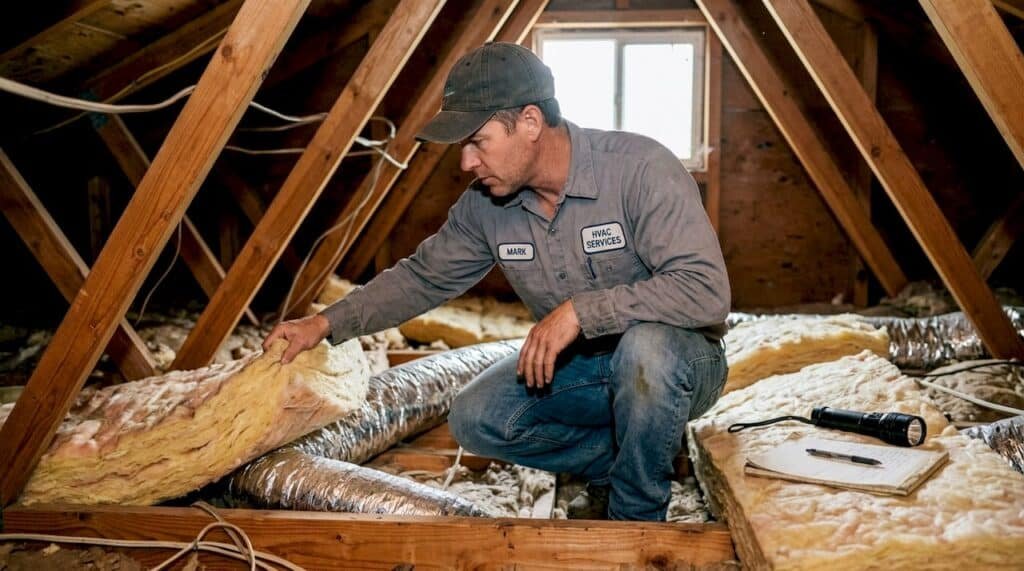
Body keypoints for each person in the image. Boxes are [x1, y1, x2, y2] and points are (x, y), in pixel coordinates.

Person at [263, 42, 730, 521]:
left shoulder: (639, 170)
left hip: (682, 361)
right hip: (586, 368)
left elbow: (706, 292)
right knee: (477, 416)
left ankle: (635, 519)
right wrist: (322, 324)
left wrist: (580, 311)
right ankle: (619, 462)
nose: (466, 162)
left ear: (529, 122)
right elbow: (422, 277)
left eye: (476, 142)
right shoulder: (485, 206)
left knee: (645, 351)